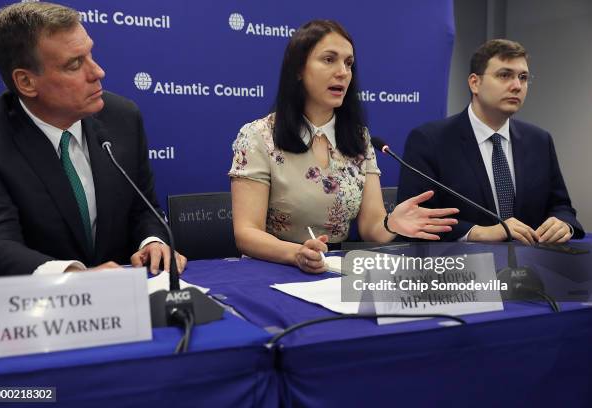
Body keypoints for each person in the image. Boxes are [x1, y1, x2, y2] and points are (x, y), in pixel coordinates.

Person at [228, 20, 459, 273]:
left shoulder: (359, 139)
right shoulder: (258, 136)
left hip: (336, 269)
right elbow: (246, 233)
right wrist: (297, 254)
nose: (343, 72)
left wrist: (392, 223)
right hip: (273, 266)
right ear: (298, 69)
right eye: (329, 60)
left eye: (348, 63)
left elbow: (372, 227)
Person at [0, 2, 186, 277]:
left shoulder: (122, 118)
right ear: (27, 82)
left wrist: (152, 240)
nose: (97, 72)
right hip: (34, 309)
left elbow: (143, 208)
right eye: (75, 64)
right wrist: (73, 276)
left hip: (126, 299)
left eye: (90, 54)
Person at [397, 39, 584, 244]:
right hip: (461, 268)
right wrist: (476, 232)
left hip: (533, 267)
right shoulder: (430, 140)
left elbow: (561, 207)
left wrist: (563, 224)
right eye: (504, 75)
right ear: (474, 83)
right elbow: (417, 217)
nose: (516, 86)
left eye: (523, 77)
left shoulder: (539, 140)